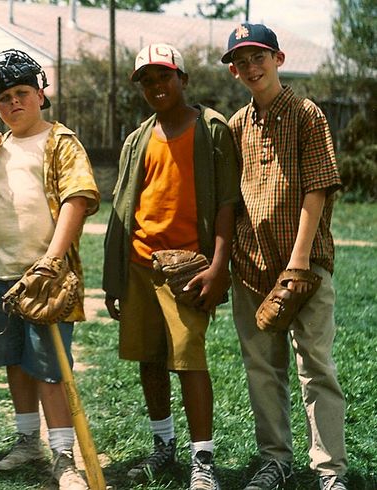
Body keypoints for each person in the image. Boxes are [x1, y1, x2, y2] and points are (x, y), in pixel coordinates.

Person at [102, 43, 239, 490]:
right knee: (149, 357)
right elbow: (126, 205)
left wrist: (219, 267)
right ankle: (164, 446)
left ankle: (203, 459)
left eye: (165, 76)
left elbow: (226, 203)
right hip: (141, 263)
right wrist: (116, 277)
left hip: (189, 268)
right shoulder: (138, 138)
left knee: (188, 359)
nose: (157, 86)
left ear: (183, 79)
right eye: (147, 79)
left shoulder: (211, 128)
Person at [0, 49, 99, 489]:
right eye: (2, 98)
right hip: (0, 274)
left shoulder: (60, 141)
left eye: (21, 93)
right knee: (14, 363)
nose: (13, 104)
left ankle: (63, 455)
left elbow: (78, 199)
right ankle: (27, 441)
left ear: (41, 93)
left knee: (49, 367)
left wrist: (52, 260)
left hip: (46, 278)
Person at [221, 23, 348, 490]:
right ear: (234, 71)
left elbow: (317, 190)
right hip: (252, 265)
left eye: (259, 56)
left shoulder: (307, 114)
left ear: (279, 58)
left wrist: (297, 263)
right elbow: (229, 200)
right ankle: (275, 459)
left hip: (304, 264)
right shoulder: (235, 125)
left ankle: (329, 468)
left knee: (314, 364)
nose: (252, 67)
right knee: (262, 367)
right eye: (242, 61)